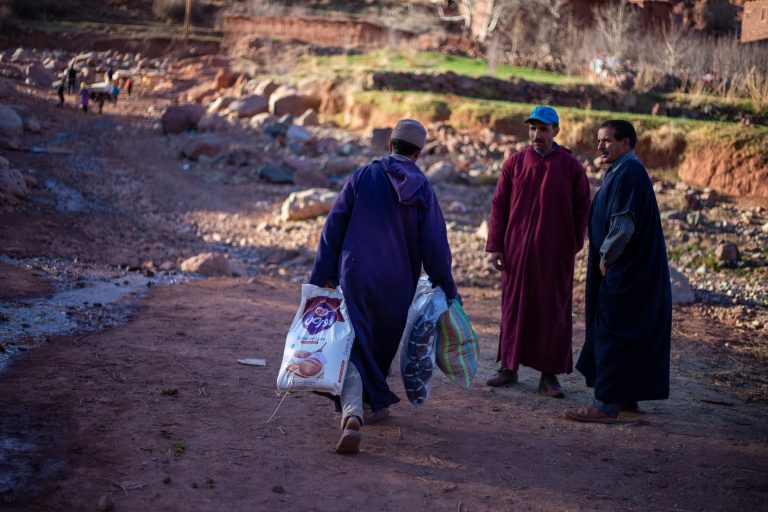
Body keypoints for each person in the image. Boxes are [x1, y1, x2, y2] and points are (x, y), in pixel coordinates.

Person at [309, 119, 458, 454]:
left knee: (353, 345)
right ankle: (367, 406)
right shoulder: (423, 189)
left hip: (356, 275)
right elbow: (435, 243)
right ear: (418, 152)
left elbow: (334, 226)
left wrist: (323, 275)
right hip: (398, 283)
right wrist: (445, 285)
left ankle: (353, 412)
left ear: (390, 145)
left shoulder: (364, 175)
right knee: (375, 345)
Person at [565, 120, 671, 424]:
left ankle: (605, 404)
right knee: (630, 331)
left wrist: (606, 257)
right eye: (599, 141)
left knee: (613, 330)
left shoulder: (629, 174)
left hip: (627, 272)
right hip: (629, 271)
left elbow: (623, 226)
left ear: (625, 143)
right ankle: (626, 396)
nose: (600, 147)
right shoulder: (621, 172)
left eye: (607, 141)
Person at [485, 105, 591, 398]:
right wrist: (495, 246)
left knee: (552, 311)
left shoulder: (570, 167)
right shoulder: (515, 164)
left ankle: (549, 376)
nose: (536, 135)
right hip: (516, 252)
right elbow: (499, 206)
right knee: (513, 308)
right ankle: (508, 367)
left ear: (556, 130)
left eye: (543, 129)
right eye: (533, 129)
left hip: (555, 255)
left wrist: (573, 243)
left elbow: (583, 207)